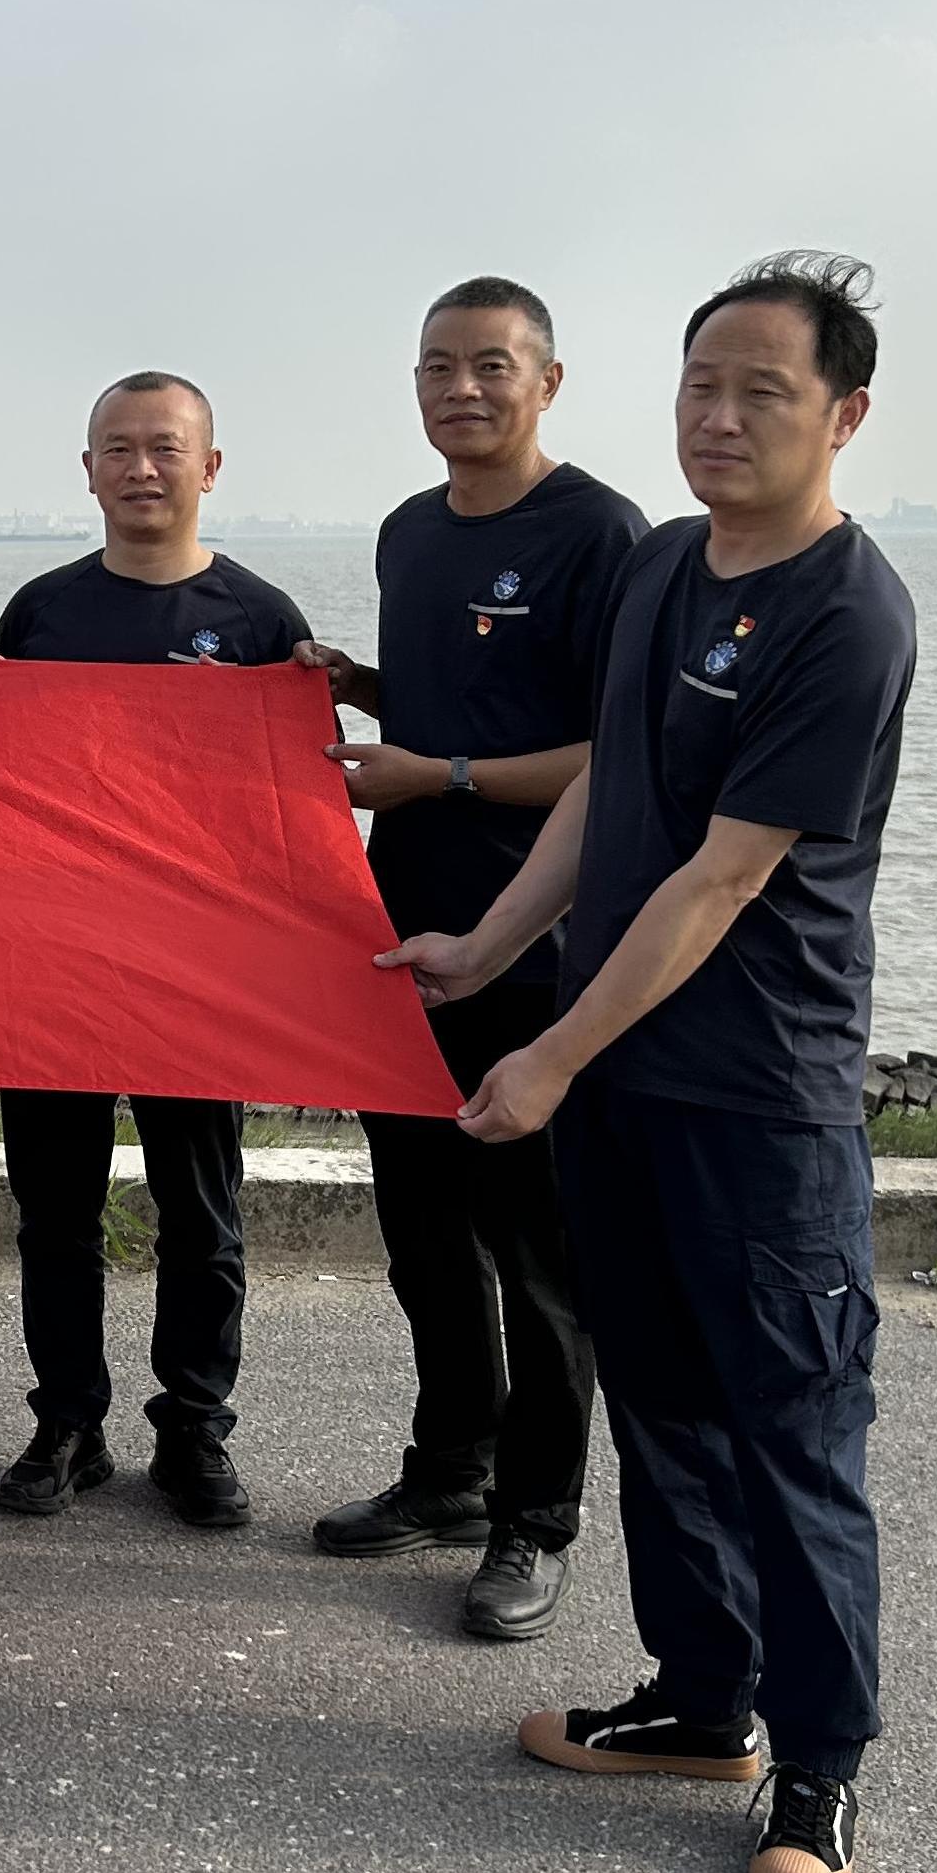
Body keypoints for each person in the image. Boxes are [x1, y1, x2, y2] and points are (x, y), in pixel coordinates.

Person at [382, 255, 910, 1873]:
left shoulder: (848, 611)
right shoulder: (671, 563)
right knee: (667, 1406)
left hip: (758, 1096)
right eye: (702, 384)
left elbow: (720, 876)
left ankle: (817, 1763)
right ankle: (699, 1698)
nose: (722, 416)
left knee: (791, 1430)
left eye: (764, 390)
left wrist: (548, 1050)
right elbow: (613, 788)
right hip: (621, 1079)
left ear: (844, 413)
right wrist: (487, 945)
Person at [297, 279, 647, 1641]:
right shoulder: (410, 530)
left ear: (546, 383)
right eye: (436, 366)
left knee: (537, 1252)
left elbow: (618, 752)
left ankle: (534, 1517)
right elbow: (466, 705)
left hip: (538, 942)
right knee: (425, 1233)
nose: (461, 388)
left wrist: (433, 771)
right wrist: (357, 688)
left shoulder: (600, 533)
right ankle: (450, 1469)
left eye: (490, 366)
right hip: (401, 935)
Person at [0, 372, 313, 1528]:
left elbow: (291, 814)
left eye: (164, 447)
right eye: (117, 447)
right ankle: (68, 1419)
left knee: (199, 1210)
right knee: (53, 1211)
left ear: (208, 467)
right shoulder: (40, 614)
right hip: (55, 956)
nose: (141, 467)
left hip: (195, 965)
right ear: (87, 469)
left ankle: (194, 1426)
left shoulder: (260, 621)